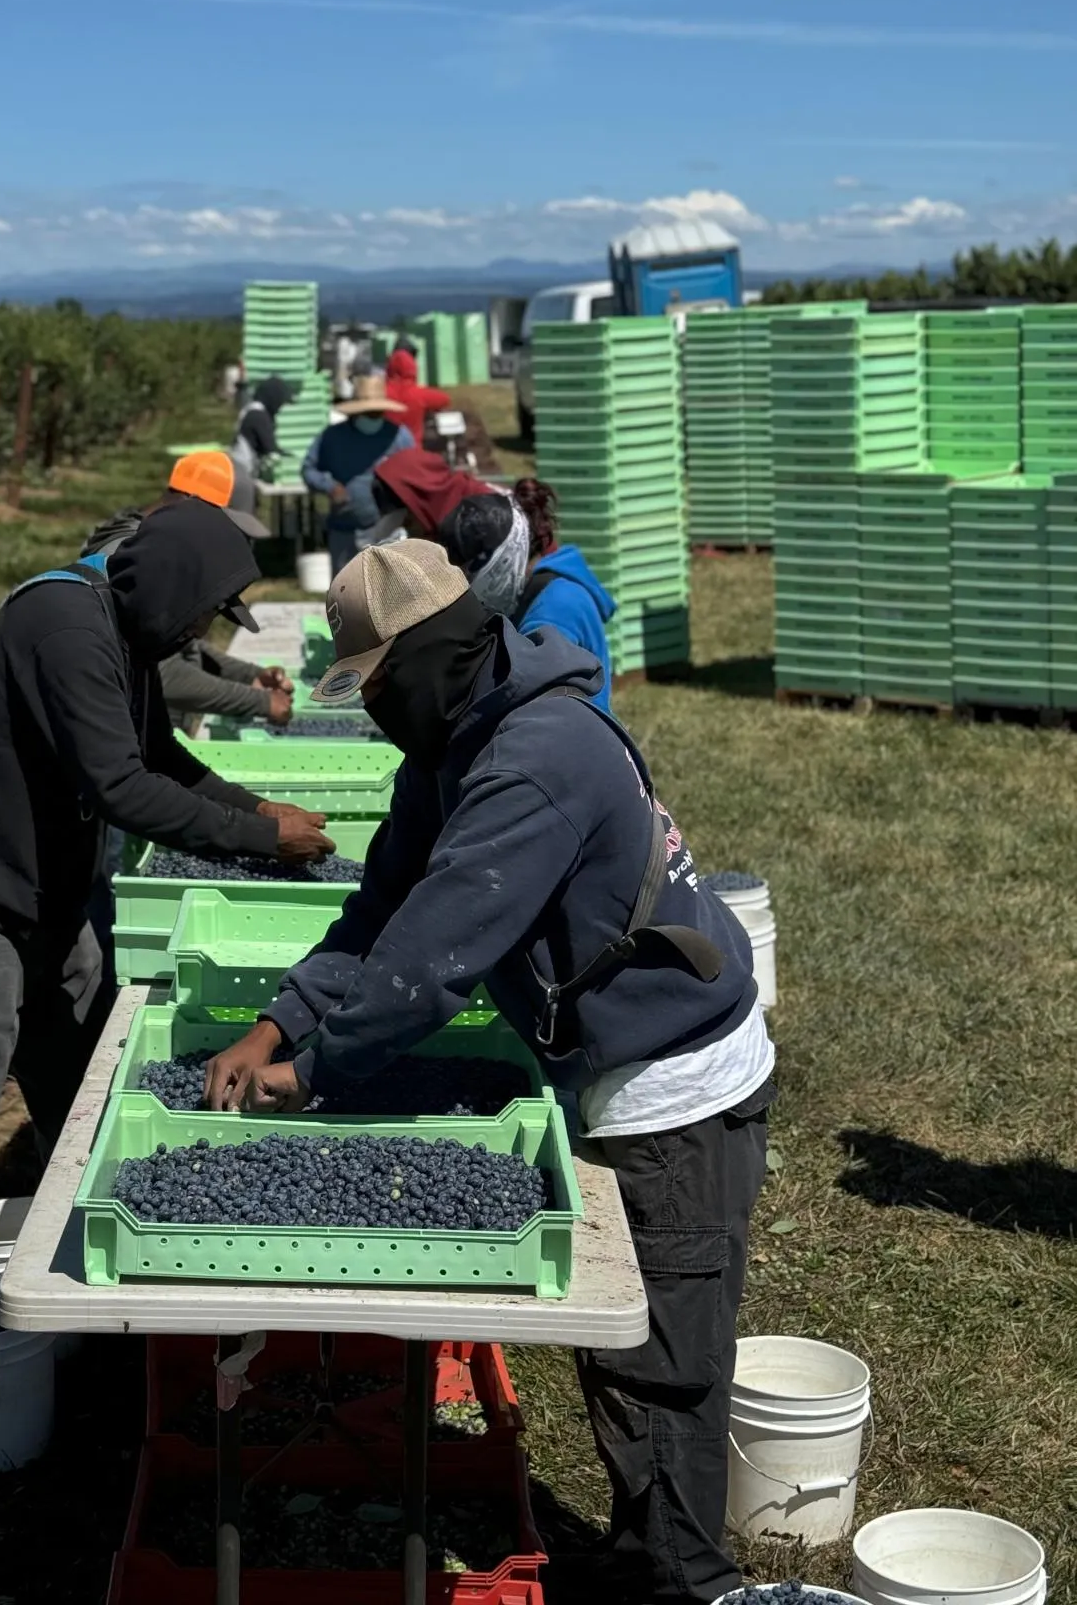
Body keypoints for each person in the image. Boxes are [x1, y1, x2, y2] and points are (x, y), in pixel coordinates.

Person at [204, 540, 772, 1605]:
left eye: (373, 688)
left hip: (679, 1083)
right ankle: (641, 1553)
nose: (371, 711)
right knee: (624, 1363)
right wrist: (274, 1024)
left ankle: (687, 1577)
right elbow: (383, 911)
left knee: (667, 1369)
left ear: (424, 660)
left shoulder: (534, 757)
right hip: (606, 1061)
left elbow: (432, 963)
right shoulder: (455, 736)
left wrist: (312, 1075)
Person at [0, 499, 333, 1286]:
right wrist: (263, 839)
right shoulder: (66, 624)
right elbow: (124, 788)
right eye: (199, 614)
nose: (200, 634)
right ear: (171, 585)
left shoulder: (123, 631)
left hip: (45, 890)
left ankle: (87, 1252)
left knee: (89, 1078)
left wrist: (256, 808)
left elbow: (158, 754)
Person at [373, 449, 618, 713]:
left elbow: (536, 706)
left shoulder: (554, 612)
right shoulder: (539, 590)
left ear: (493, 564)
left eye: (466, 573)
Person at [82, 450, 295, 731]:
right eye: (226, 522)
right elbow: (164, 672)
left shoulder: (154, 545)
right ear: (192, 503)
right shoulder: (134, 557)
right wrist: (258, 702)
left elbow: (182, 644)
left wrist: (248, 675)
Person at [300, 372, 415, 576]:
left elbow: (416, 473)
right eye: (368, 413)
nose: (373, 418)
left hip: (388, 529)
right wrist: (329, 486)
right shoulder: (332, 437)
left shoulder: (399, 437)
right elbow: (308, 469)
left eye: (377, 413)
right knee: (345, 592)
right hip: (345, 529)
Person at [229, 374, 299, 513]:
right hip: (241, 475)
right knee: (243, 517)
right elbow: (270, 449)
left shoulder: (251, 410)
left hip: (237, 471)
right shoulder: (259, 417)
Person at [384, 340, 452, 447]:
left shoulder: (381, 392)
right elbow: (445, 399)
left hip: (384, 451)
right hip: (412, 450)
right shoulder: (418, 393)